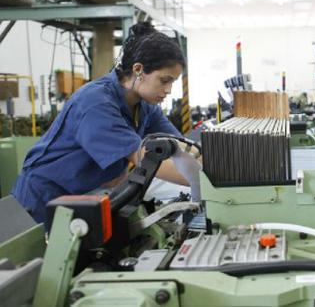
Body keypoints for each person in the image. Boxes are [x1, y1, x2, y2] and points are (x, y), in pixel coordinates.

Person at [13, 22, 191, 223]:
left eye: (172, 83)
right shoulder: (95, 102)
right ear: (138, 69)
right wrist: (207, 185)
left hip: (86, 196)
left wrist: (217, 163)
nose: (168, 90)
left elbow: (180, 146)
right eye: (164, 80)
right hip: (45, 199)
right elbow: (143, 158)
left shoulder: (144, 106)